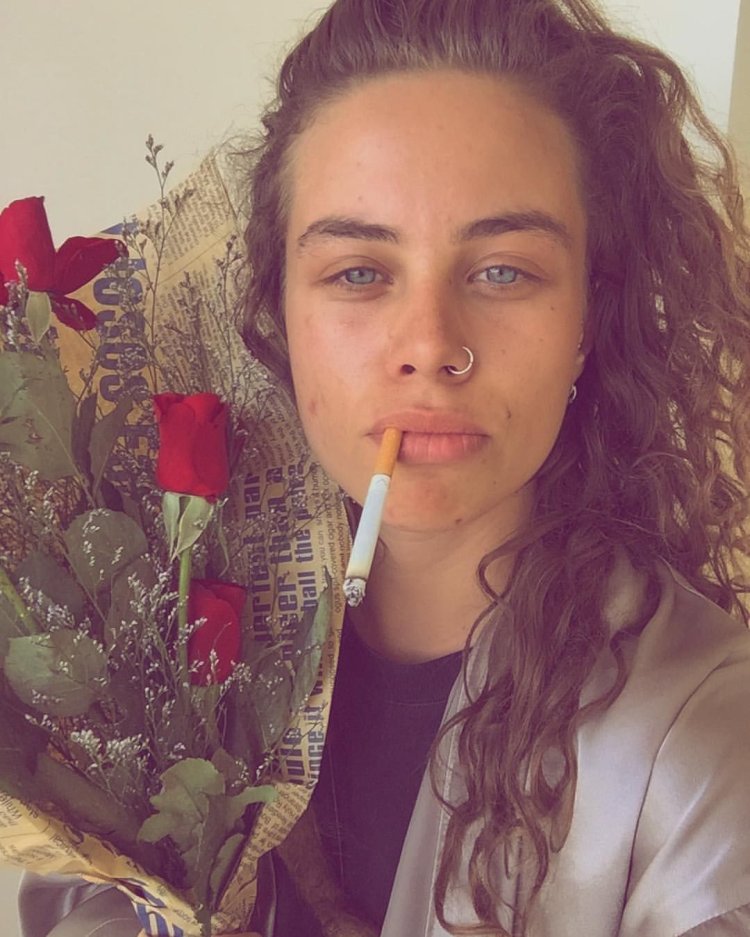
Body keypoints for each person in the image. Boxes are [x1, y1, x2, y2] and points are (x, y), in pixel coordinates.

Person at [19, 0, 750, 935]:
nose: (430, 345)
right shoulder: (156, 662)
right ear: (275, 318)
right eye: (359, 272)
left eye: (503, 271)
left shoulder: (698, 747)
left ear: (586, 324)